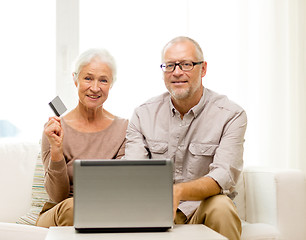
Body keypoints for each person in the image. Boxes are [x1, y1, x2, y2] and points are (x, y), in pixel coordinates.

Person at [125, 36, 247, 240]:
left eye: (187, 64)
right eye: (170, 66)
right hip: (153, 210)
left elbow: (222, 177)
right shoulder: (142, 114)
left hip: (201, 209)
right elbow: (133, 171)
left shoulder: (231, 115)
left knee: (221, 205)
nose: (177, 72)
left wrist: (178, 192)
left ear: (203, 69)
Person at [36, 48, 128, 228]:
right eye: (88, 78)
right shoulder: (55, 129)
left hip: (104, 211)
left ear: (111, 84)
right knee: (73, 208)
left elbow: (120, 188)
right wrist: (57, 151)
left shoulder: (124, 128)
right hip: (62, 210)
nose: (95, 88)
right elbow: (58, 197)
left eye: (103, 80)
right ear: (75, 79)